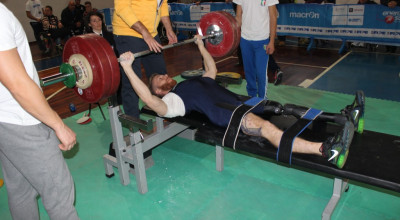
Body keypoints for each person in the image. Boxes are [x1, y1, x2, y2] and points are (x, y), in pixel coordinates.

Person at [119, 35, 364, 169]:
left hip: (241, 102)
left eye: (161, 74)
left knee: (284, 108)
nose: (163, 76)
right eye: (158, 81)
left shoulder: (187, 83)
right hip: (230, 114)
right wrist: (128, 68)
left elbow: (211, 70)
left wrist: (201, 45)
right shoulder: (173, 101)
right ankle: (326, 150)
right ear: (160, 92)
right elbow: (149, 100)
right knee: (269, 130)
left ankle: (345, 117)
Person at [0, 3, 79, 219]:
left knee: (21, 190)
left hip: (4, 122)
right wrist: (58, 125)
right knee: (59, 195)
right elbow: (17, 83)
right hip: (22, 120)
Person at [113, 0, 178, 118]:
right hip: (128, 33)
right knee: (132, 79)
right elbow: (122, 8)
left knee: (160, 76)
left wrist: (168, 28)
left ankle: (165, 112)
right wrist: (145, 33)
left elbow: (162, 4)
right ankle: (134, 124)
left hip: (151, 33)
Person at [234, 0, 278, 99]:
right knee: (249, 72)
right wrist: (234, 38)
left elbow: (273, 17)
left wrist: (271, 41)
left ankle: (262, 99)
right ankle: (251, 97)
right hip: (245, 39)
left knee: (260, 73)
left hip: (262, 40)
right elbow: (238, 16)